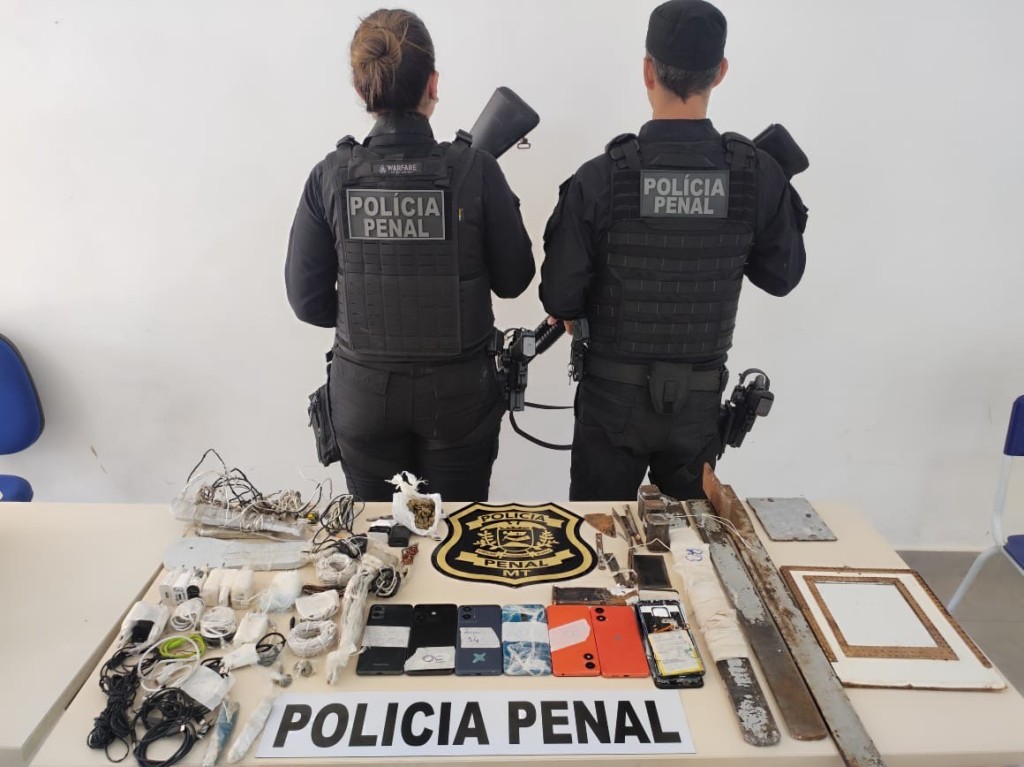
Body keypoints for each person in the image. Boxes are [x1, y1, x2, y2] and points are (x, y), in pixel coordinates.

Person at [540, 0, 808, 502]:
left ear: (648, 71)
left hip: (611, 401)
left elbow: (559, 296)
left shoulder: (601, 176)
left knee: (600, 539)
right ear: (720, 72)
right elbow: (781, 277)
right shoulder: (754, 174)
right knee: (695, 544)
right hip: (698, 405)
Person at [286, 9, 534, 502]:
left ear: (361, 90)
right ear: (433, 83)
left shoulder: (330, 176)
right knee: (457, 538)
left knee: (378, 540)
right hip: (459, 399)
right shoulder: (477, 170)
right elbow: (515, 280)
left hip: (364, 399)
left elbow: (308, 304)